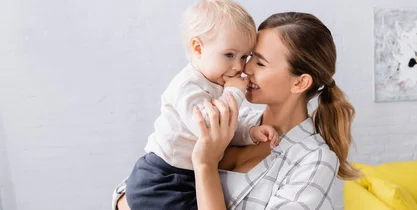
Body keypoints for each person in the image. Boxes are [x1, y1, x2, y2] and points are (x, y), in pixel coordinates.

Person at [114, 11, 359, 210]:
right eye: (249, 57)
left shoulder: (314, 160)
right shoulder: (237, 118)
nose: (244, 68)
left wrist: (206, 165)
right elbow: (138, 185)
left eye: (260, 62)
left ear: (299, 82)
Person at [123, 0, 279, 210]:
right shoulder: (188, 86)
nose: (238, 67)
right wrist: (234, 91)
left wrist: (249, 133)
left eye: (244, 57)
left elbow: (226, 130)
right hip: (163, 176)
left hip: (188, 175)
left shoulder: (217, 84)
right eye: (229, 54)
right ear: (197, 48)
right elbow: (209, 128)